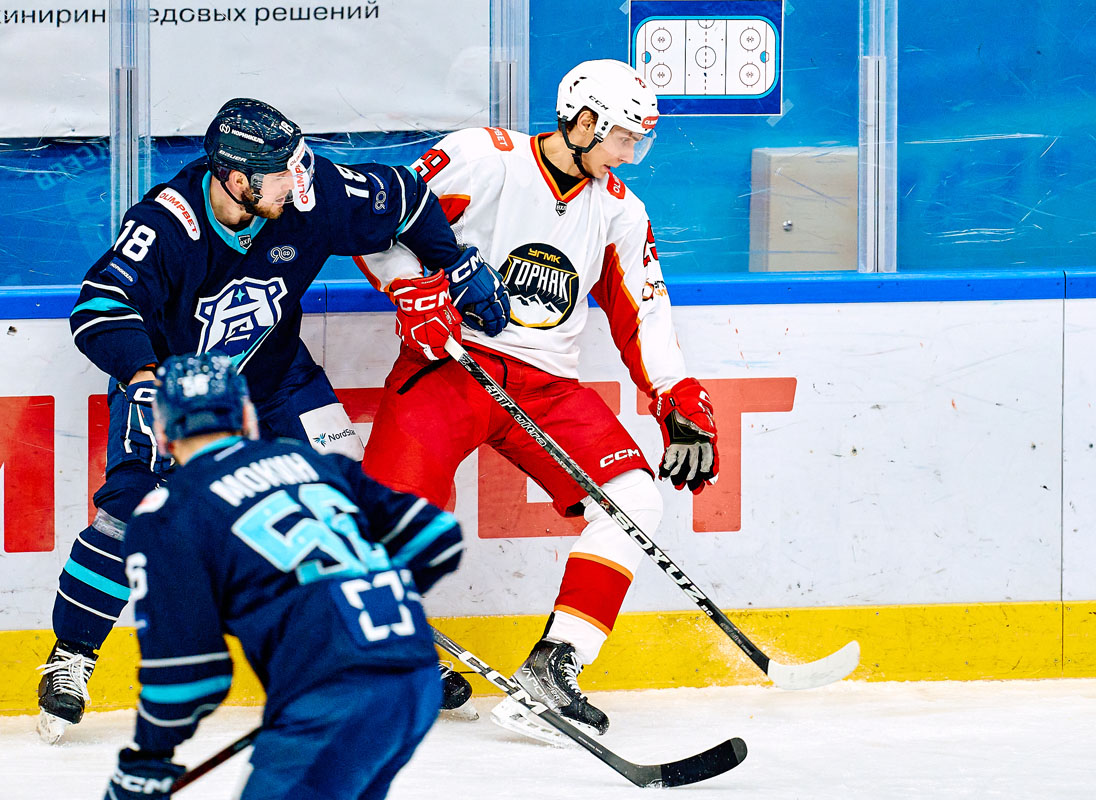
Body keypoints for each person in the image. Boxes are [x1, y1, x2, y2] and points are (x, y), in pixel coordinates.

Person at [40, 97, 506, 742]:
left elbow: (406, 197)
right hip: (176, 388)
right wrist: (143, 376)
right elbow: (100, 304)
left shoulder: (312, 194)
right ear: (237, 179)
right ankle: (71, 656)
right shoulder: (166, 224)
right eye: (281, 173)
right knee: (130, 511)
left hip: (279, 380)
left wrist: (452, 260)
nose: (297, 181)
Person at [354, 59, 718, 739]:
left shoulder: (620, 210)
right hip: (449, 368)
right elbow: (380, 225)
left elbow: (643, 312)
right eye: (623, 139)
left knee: (634, 500)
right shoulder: (481, 158)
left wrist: (675, 396)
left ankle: (554, 668)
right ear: (584, 122)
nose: (629, 155)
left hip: (547, 386)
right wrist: (412, 290)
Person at [102, 352, 463, 800]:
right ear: (247, 416)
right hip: (417, 677)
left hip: (327, 699)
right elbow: (437, 537)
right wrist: (361, 590)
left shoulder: (167, 513)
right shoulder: (310, 461)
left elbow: (189, 676)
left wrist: (147, 759)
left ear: (161, 433)